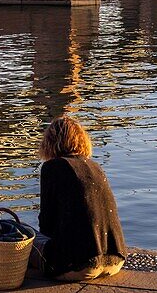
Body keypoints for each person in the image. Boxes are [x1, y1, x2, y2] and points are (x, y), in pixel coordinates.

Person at [34, 116, 126, 282]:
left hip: (80, 266)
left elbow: (46, 223)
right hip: (116, 261)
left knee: (22, 235)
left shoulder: (52, 167)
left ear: (49, 142)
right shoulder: (95, 167)